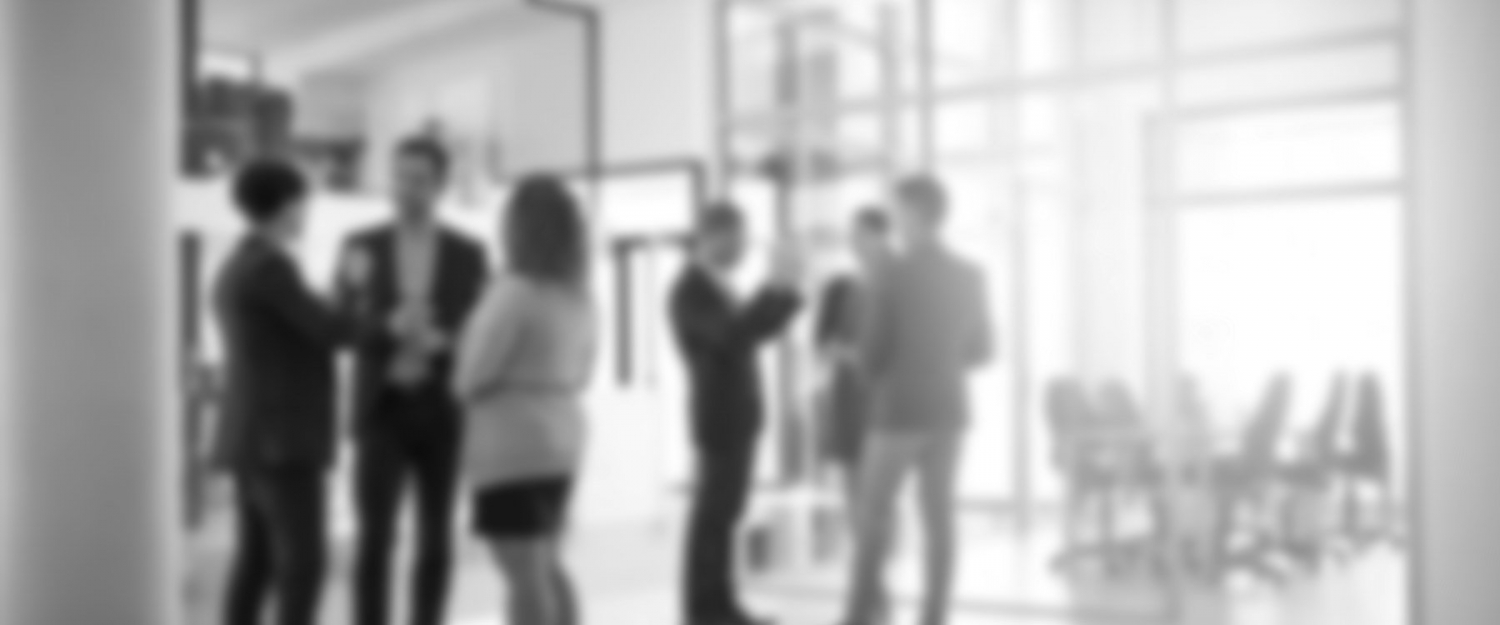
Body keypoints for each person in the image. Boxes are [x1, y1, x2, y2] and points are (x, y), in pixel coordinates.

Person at [340, 137, 490, 625]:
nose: (406, 188)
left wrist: (449, 341)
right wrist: (386, 327)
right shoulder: (360, 246)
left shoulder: (469, 253)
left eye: (419, 180)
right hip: (381, 408)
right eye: (400, 177)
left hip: (441, 407)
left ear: (440, 185)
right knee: (374, 537)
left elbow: (483, 325)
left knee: (436, 536)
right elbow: (341, 320)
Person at [212, 158, 363, 625]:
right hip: (283, 441)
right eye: (304, 202)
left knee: (256, 562)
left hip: (252, 437)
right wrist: (354, 289)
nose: (307, 212)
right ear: (287, 204)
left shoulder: (238, 263)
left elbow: (305, 323)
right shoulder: (272, 267)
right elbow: (331, 329)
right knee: (304, 566)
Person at [837, 175, 993, 625]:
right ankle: (934, 617)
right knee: (939, 519)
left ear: (915, 213)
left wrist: (857, 358)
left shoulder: (890, 274)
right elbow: (983, 351)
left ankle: (856, 618)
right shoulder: (970, 274)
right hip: (950, 411)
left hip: (897, 414)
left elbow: (871, 356)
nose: (894, 220)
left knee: (871, 516)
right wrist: (938, 358)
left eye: (897, 210)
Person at [452, 175, 597, 625]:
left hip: (511, 447)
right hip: (563, 439)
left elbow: (471, 376)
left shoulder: (513, 292)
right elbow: (584, 372)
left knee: (523, 576)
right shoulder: (579, 295)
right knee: (548, 566)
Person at [671, 202, 803, 625]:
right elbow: (730, 335)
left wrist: (786, 292)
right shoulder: (689, 290)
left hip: (739, 417)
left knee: (725, 517)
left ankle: (722, 606)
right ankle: (703, 611)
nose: (744, 249)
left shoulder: (719, 285)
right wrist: (772, 285)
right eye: (738, 240)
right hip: (719, 418)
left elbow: (753, 331)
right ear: (713, 236)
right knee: (712, 517)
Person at [814, 207, 894, 529]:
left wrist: (854, 354)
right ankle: (860, 546)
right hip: (847, 395)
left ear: (883, 237)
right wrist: (851, 355)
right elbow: (822, 344)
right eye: (852, 235)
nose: (855, 242)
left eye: (862, 235)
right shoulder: (838, 287)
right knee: (852, 477)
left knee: (883, 484)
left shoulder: (899, 284)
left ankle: (882, 549)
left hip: (885, 397)